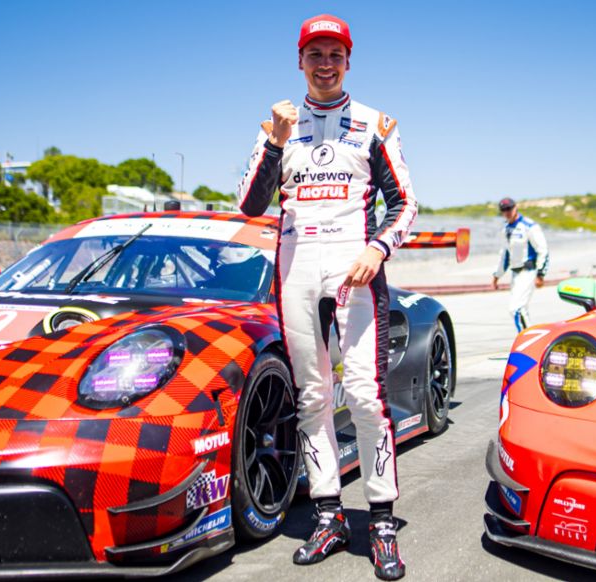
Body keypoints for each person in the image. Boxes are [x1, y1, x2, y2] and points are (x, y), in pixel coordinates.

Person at [237, 13, 417, 581]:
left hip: (354, 272)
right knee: (312, 398)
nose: (324, 63)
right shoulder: (277, 128)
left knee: (364, 396)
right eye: (314, 53)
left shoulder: (374, 124)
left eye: (334, 54)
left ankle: (382, 522)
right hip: (294, 271)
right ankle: (329, 516)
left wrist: (379, 249)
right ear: (300, 61)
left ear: (348, 61)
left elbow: (407, 204)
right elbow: (249, 205)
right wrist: (273, 142)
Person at [491, 197, 548, 331]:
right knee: (516, 310)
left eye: (509, 208)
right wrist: (496, 276)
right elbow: (505, 255)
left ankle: (527, 340)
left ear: (515, 207)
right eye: (504, 210)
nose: (507, 212)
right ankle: (530, 339)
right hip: (515, 274)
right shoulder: (505, 230)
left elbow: (543, 250)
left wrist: (541, 274)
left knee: (517, 309)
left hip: (528, 271)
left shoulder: (529, 226)